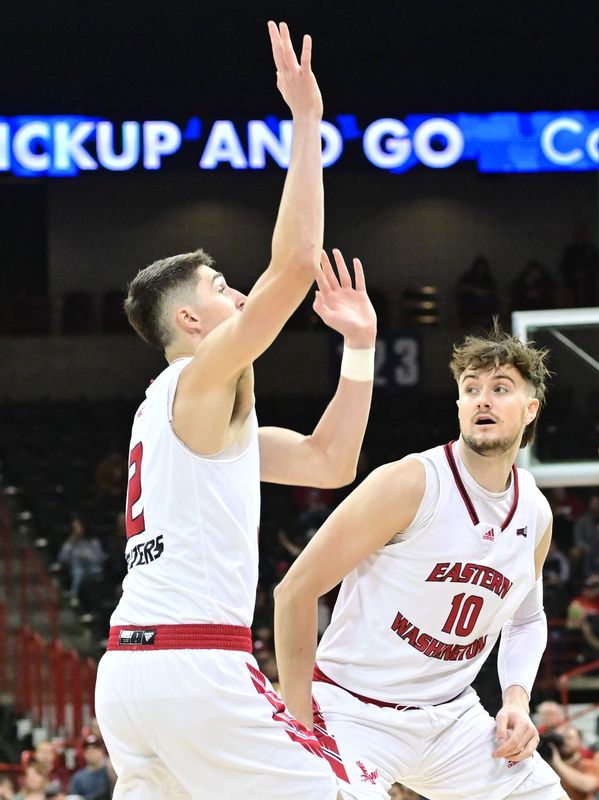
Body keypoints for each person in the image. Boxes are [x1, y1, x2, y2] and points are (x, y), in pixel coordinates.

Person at [94, 23, 374, 799]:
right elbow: (290, 270)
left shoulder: (181, 415)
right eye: (220, 289)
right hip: (196, 669)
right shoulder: (197, 381)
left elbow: (328, 462)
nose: (238, 295)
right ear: (189, 322)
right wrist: (309, 122)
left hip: (132, 678)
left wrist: (360, 349)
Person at [273, 327, 565, 800]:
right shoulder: (410, 483)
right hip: (353, 711)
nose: (481, 400)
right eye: (470, 389)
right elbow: (294, 591)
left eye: (499, 389)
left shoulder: (535, 512)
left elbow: (527, 619)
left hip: (452, 719)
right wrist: (297, 720)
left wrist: (516, 697)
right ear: (458, 406)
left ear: (531, 409)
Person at [68, 735, 114, 800]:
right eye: (88, 750)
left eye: (94, 749)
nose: (91, 753)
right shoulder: (78, 778)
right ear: (84, 753)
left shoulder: (110, 772)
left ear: (101, 751)